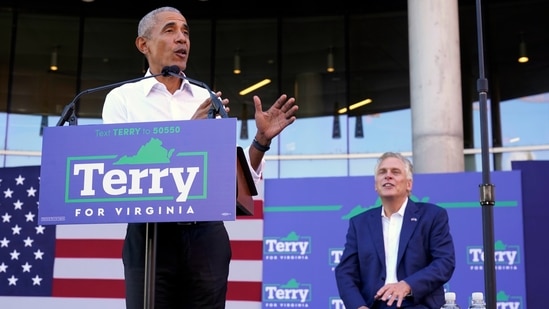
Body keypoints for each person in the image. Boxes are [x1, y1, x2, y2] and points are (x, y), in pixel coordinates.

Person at [101, 6, 298, 309]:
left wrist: (260, 142)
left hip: (206, 235)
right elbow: (121, 173)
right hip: (151, 236)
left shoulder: (206, 98)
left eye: (186, 32)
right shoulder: (122, 99)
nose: (182, 38)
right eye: (170, 30)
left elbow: (229, 182)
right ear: (144, 44)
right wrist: (185, 136)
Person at [334, 152, 455, 309]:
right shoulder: (359, 223)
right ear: (375, 185)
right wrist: (358, 306)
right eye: (382, 172)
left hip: (418, 303)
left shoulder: (432, 216)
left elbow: (444, 262)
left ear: (409, 184)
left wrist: (407, 285)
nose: (388, 176)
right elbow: (345, 272)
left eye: (395, 172)